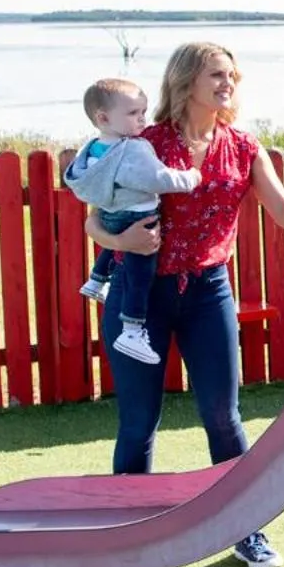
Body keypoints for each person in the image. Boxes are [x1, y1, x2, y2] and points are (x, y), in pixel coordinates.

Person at [84, 40, 284, 567]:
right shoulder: (145, 141)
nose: (227, 83)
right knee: (138, 422)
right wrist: (127, 242)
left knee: (224, 417)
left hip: (209, 292)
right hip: (142, 296)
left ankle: (245, 528)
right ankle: (132, 543)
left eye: (231, 75)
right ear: (186, 81)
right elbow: (94, 222)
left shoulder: (246, 147)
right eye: (215, 74)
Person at [65, 77, 201, 366]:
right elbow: (159, 179)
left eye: (143, 112)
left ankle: (96, 280)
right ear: (103, 117)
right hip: (140, 215)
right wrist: (191, 177)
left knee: (118, 244)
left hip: (110, 215)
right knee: (140, 272)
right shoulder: (132, 149)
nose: (142, 119)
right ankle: (132, 329)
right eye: (133, 114)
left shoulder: (92, 150)